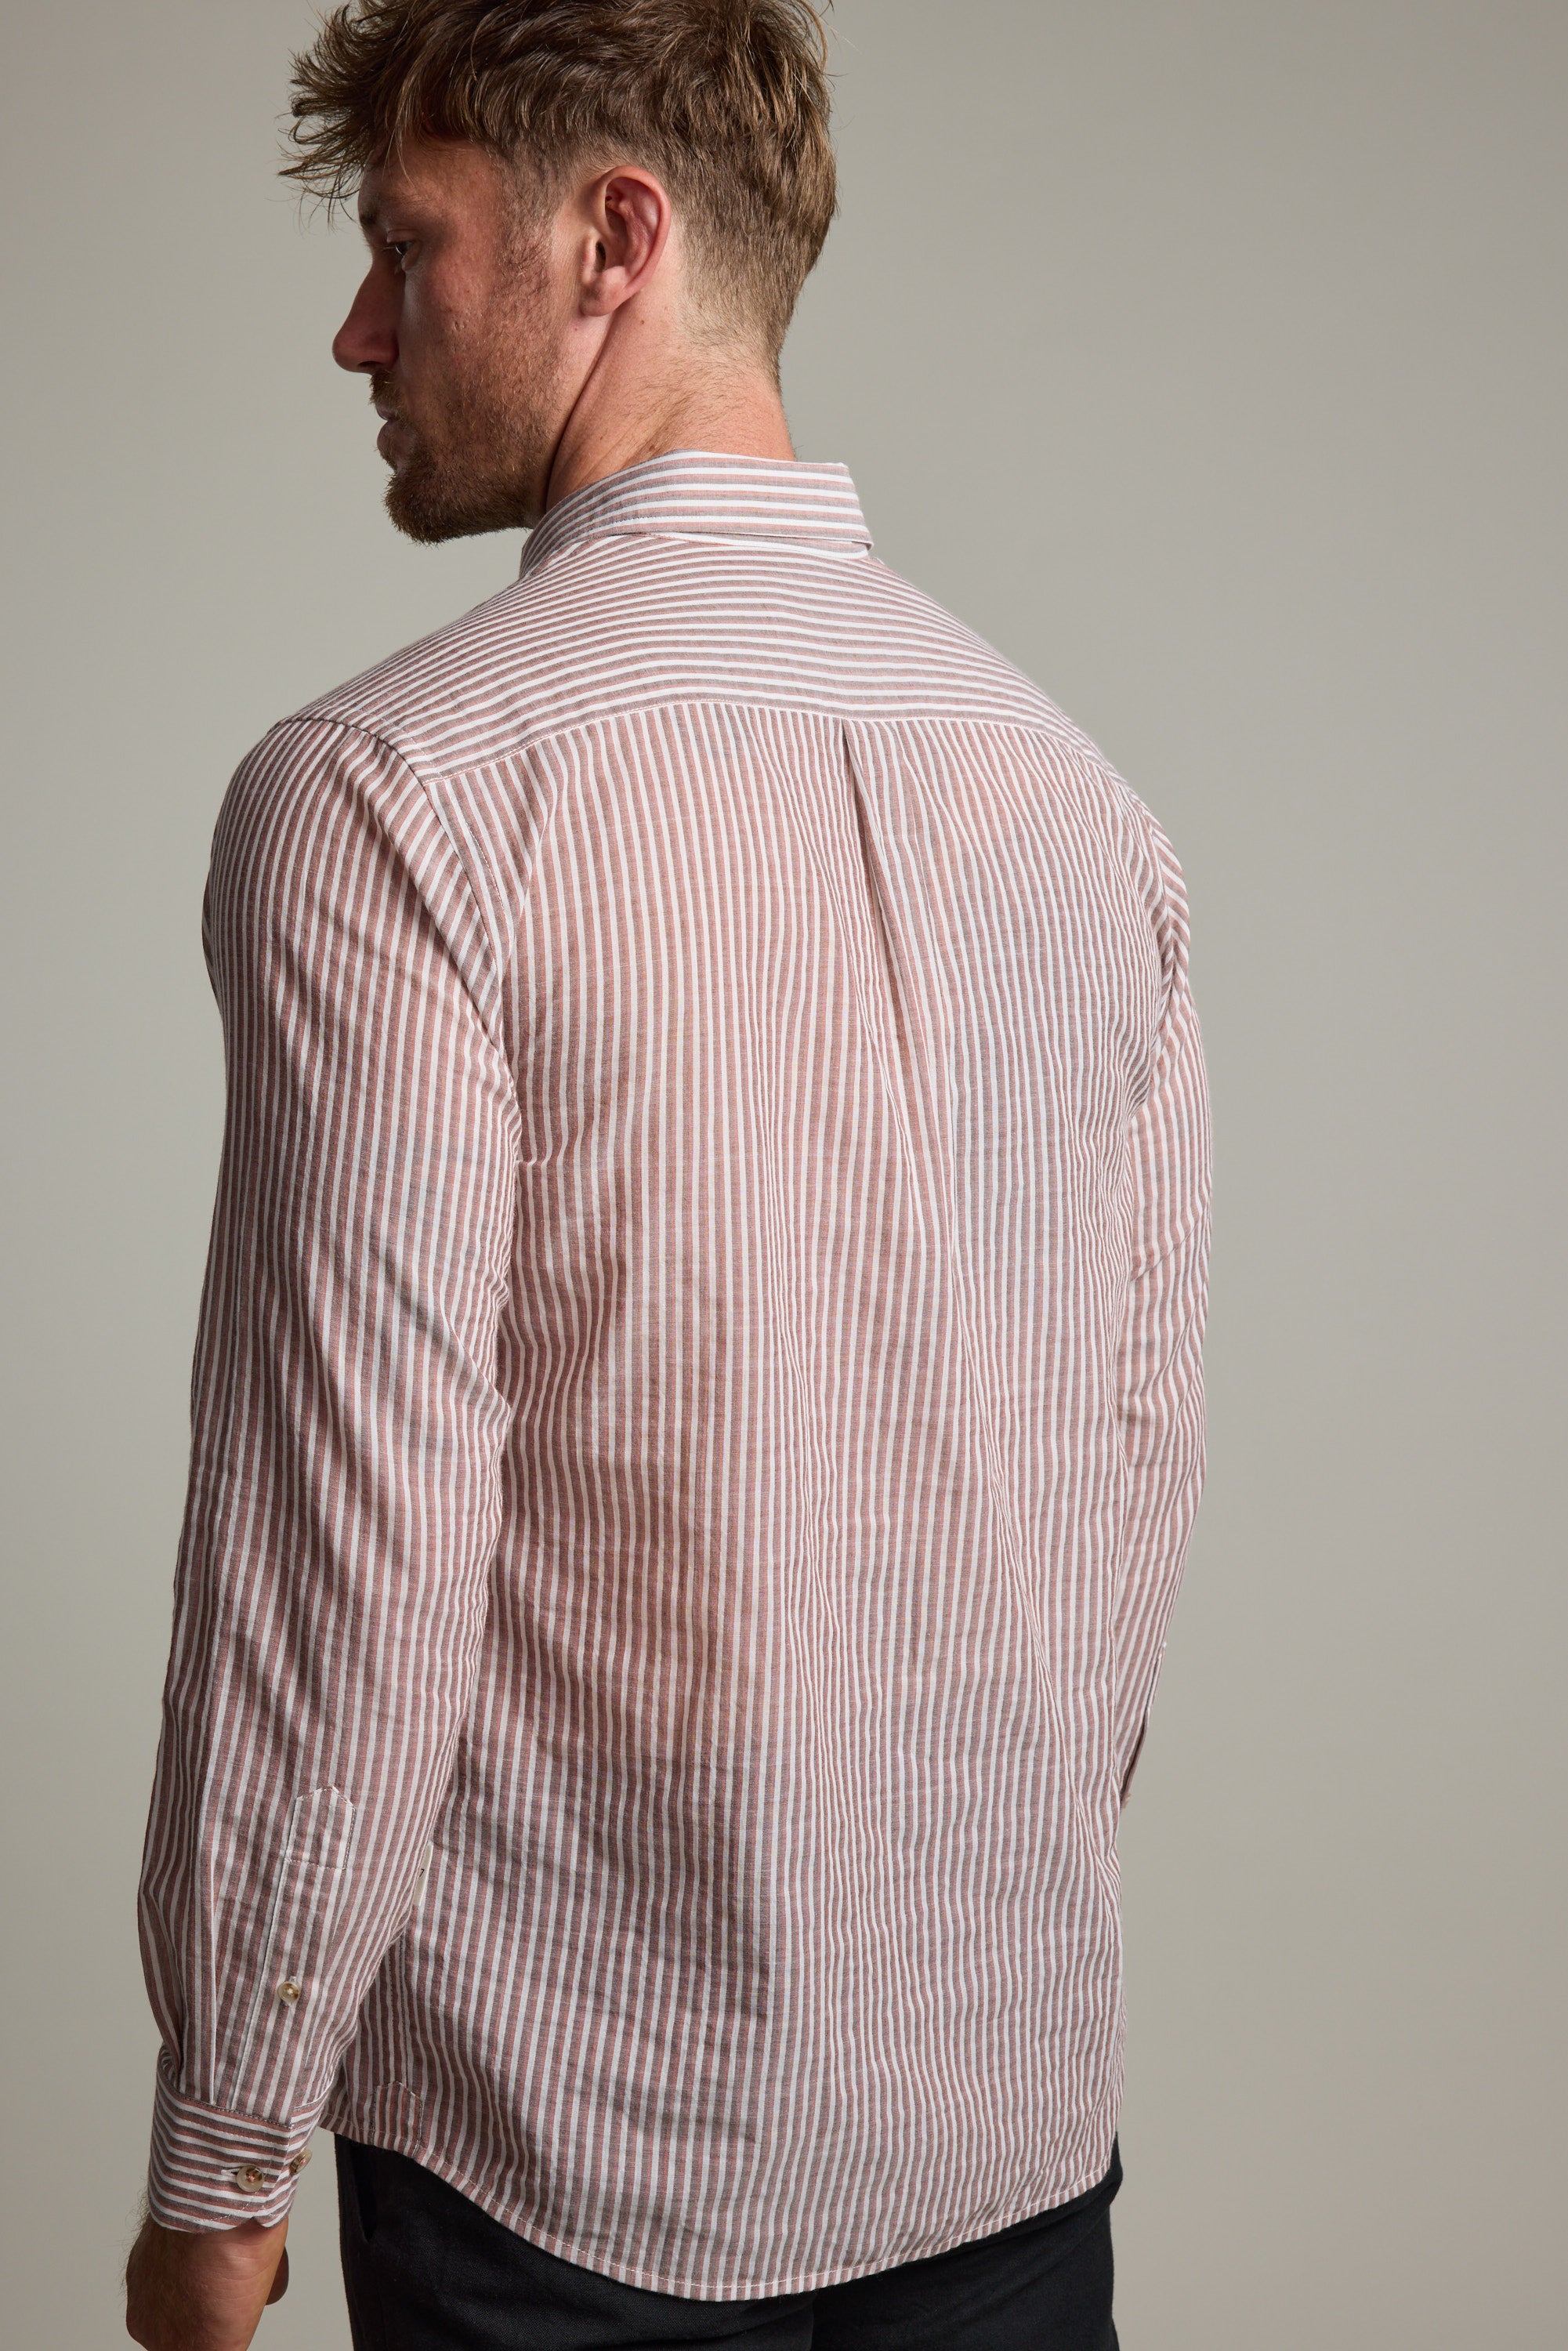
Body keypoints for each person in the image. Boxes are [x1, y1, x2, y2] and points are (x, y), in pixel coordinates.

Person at [124, 4, 1211, 2346]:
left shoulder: (391, 799)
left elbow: (348, 1550)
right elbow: (1125, 1488)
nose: (359, 331)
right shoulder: (1077, 804)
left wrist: (223, 2153)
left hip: (562, 2173)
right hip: (1008, 2143)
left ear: (613, 239)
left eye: (407, 248)